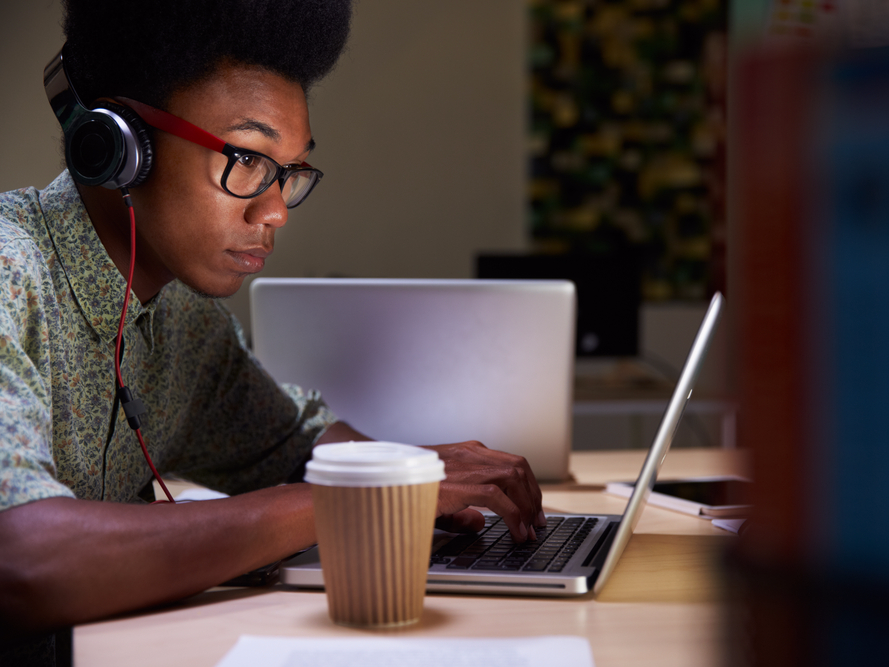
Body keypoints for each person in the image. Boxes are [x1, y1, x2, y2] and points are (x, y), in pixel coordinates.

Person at [0, 0, 544, 662]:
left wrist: (408, 479)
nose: (277, 210)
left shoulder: (185, 323)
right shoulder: (10, 270)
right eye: (248, 160)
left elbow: (293, 446)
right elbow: (20, 558)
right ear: (119, 146)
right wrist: (365, 496)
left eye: (288, 172)